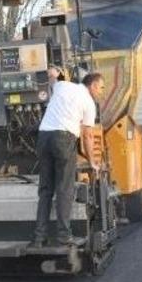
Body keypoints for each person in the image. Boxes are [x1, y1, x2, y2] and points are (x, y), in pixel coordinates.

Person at [33, 72, 103, 248]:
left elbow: (52, 78)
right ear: (93, 85)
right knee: (64, 189)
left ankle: (39, 238)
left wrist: (56, 73)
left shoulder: (64, 86)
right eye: (101, 88)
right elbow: (87, 136)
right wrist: (92, 161)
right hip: (63, 139)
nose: (101, 92)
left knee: (45, 190)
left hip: (43, 137)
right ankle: (64, 236)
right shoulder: (89, 103)